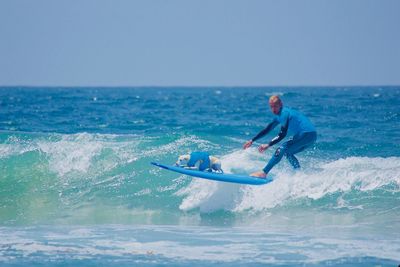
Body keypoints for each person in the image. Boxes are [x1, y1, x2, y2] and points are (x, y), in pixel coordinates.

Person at [243, 95, 317, 178]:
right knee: (288, 153)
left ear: (280, 104)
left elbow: (282, 134)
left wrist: (268, 144)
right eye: (271, 107)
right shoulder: (279, 116)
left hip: (306, 134)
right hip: (311, 136)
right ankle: (299, 174)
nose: (273, 109)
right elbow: (267, 129)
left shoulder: (284, 113)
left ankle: (264, 172)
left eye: (275, 106)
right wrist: (252, 140)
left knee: (281, 149)